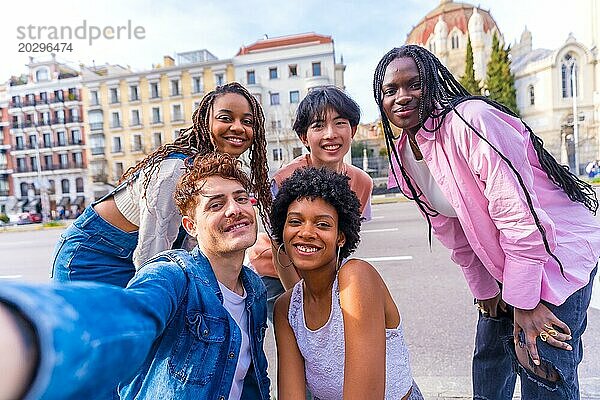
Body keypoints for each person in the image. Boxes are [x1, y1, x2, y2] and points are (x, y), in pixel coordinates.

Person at [373, 44, 600, 398]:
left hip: (557, 254)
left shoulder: (471, 121)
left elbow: (520, 217)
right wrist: (486, 291)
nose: (402, 97)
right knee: (490, 359)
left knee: (542, 369)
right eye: (391, 90)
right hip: (507, 264)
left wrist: (524, 304)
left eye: (414, 84)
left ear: (433, 83)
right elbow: (453, 231)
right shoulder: (405, 154)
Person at [0, 153, 270, 400]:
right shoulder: (174, 276)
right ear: (190, 227)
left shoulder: (254, 288)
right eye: (216, 204)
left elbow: (252, 378)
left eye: (241, 197)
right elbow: (129, 314)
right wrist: (24, 333)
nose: (234, 209)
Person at [51, 82, 271, 287]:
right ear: (205, 122)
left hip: (132, 255)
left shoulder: (213, 171)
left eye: (247, 121)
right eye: (225, 118)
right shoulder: (176, 169)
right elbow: (151, 254)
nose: (238, 127)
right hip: (93, 256)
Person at [270, 167, 421, 400]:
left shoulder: (355, 278)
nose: (306, 232)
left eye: (322, 224)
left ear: (341, 236)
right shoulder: (286, 308)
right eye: (295, 221)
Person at [249, 86, 373, 322]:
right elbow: (280, 250)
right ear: (304, 137)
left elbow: (345, 242)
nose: (330, 134)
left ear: (353, 130)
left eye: (340, 123)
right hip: (276, 272)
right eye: (318, 126)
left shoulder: (362, 182)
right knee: (297, 336)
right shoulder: (284, 181)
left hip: (321, 272)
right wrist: (301, 299)